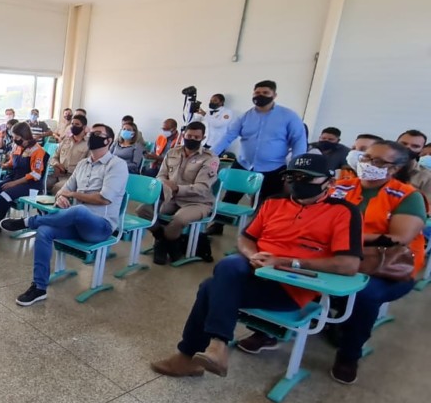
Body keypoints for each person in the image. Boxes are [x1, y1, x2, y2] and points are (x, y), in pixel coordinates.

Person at [150, 153, 362, 378]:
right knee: (230, 265)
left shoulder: (343, 212)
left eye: (306, 178)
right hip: (255, 270)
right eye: (293, 177)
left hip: (291, 286)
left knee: (209, 288)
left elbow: (348, 265)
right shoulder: (273, 202)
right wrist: (254, 254)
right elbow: (246, 237)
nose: (298, 182)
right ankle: (215, 347)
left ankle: (193, 354)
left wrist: (285, 262)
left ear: (329, 183)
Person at [240, 141, 426, 383]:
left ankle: (349, 355)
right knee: (281, 268)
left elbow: (400, 238)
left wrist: (343, 236)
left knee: (365, 295)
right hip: (331, 255)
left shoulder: (408, 197)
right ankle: (266, 332)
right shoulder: (340, 187)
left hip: (384, 266)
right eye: (366, 157)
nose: (368, 164)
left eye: (378, 162)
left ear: (394, 169)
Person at [1, 123, 128, 306]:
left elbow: (104, 199)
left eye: (98, 134)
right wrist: (61, 197)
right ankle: (39, 287)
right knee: (45, 231)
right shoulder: (84, 163)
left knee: (78, 210)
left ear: (108, 140)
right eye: (91, 132)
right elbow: (65, 189)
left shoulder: (117, 165)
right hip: (76, 222)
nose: (92, 135)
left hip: (101, 226)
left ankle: (29, 221)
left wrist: (73, 195)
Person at [206, 80, 307, 205]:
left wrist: (296, 167)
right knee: (230, 198)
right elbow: (228, 136)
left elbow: (299, 141)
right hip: (244, 164)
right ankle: (218, 224)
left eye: (265, 92)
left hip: (273, 168)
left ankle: (259, 224)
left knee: (268, 203)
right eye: (257, 92)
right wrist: (210, 154)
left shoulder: (289, 116)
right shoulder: (245, 117)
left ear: (274, 95)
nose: (260, 95)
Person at [138, 121, 219, 265]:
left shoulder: (210, 158)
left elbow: (202, 188)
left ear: (203, 137)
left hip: (198, 201)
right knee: (143, 210)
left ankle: (164, 245)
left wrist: (176, 188)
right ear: (184, 135)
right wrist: (165, 184)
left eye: (196, 137)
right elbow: (161, 175)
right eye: (189, 136)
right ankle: (164, 240)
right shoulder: (172, 152)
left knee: (179, 220)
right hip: (172, 197)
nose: (192, 139)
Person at [0, 122, 49, 231]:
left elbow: (36, 174)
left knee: (4, 195)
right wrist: (3, 166)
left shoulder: (38, 151)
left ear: (25, 136)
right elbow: (12, 163)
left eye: (16, 137)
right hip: (15, 178)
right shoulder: (17, 147)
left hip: (30, 184)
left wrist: (14, 183)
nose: (14, 140)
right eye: (13, 137)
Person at [47, 113, 88, 193]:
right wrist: (57, 164)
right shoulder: (66, 140)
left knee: (58, 187)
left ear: (83, 127)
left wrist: (66, 170)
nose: (73, 126)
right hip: (57, 173)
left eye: (77, 124)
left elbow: (87, 166)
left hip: (72, 177)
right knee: (41, 183)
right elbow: (54, 157)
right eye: (72, 124)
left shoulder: (88, 144)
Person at [397, 130, 431, 206]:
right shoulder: (381, 170)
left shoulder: (427, 176)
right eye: (404, 144)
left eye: (415, 146)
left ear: (421, 150)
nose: (408, 148)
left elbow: (428, 207)